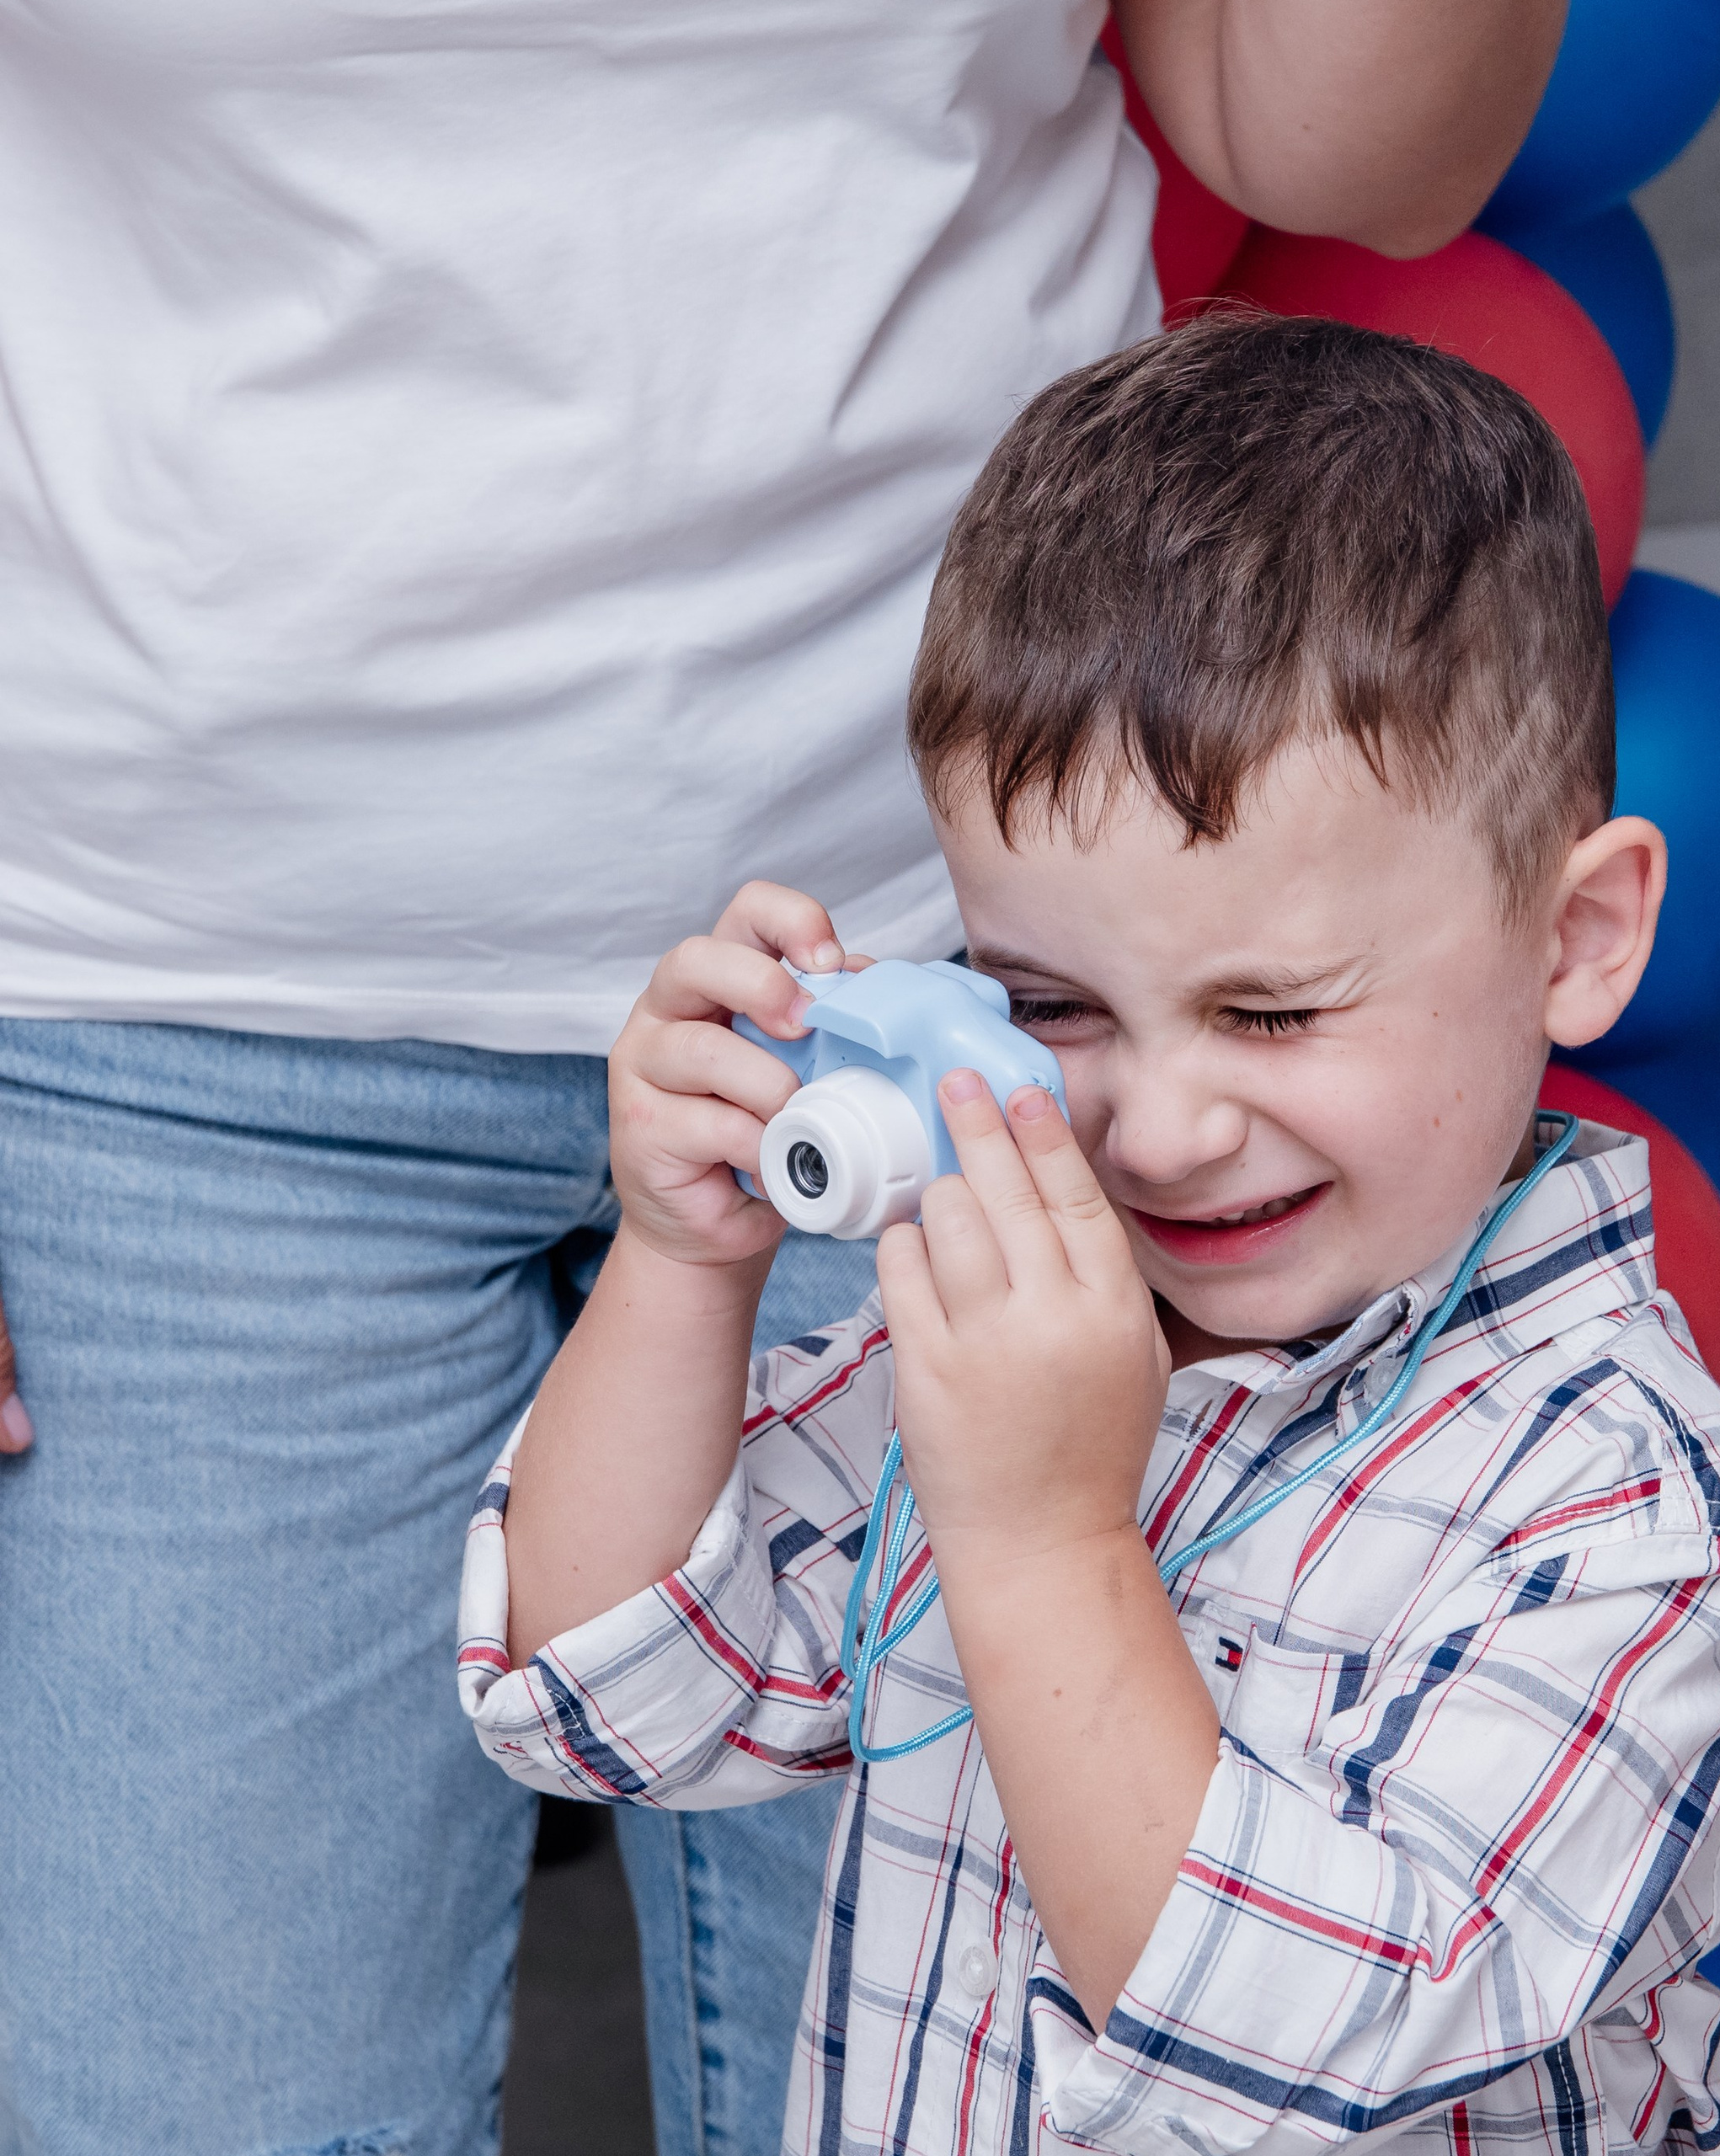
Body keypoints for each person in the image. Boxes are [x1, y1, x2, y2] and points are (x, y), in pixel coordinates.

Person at [0, 9, 1568, 2153]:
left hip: (981, 986)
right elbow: (593, 1672)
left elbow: (1338, 141)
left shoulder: (1596, 1468)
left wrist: (1027, 1522)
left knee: (1018, 2074)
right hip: (143, 990)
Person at [461, 315, 1720, 2155]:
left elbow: (1272, 2054)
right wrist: (683, 1266)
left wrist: (1039, 1532)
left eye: (1271, 1013)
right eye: (1051, 1005)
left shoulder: (1619, 1506)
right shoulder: (1024, 1332)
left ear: (1572, 938)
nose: (1156, 1130)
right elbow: (606, 1687)